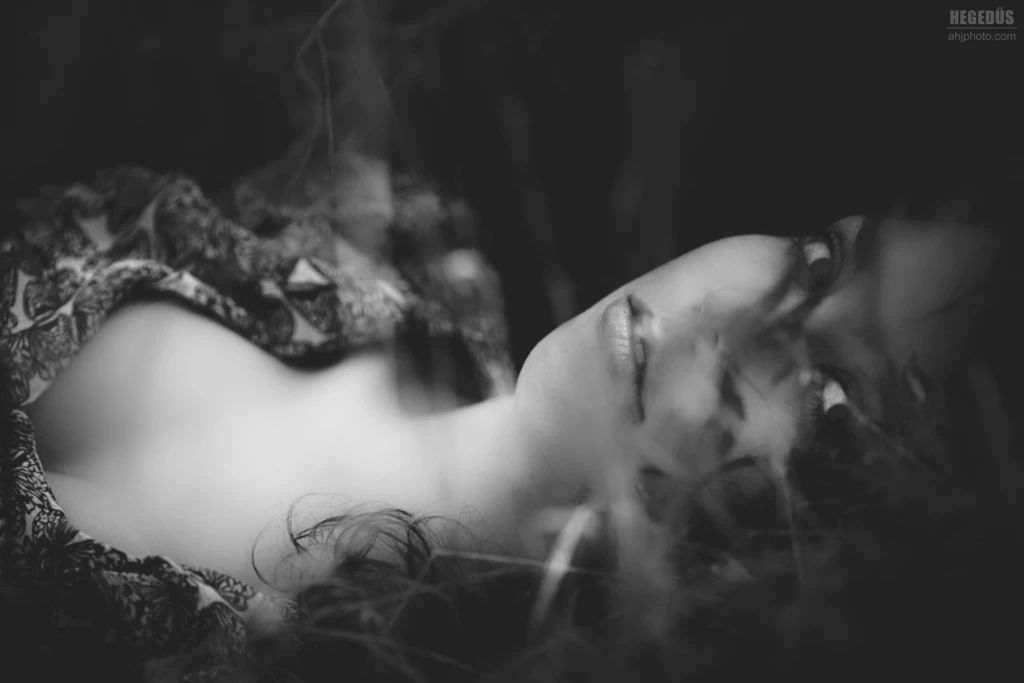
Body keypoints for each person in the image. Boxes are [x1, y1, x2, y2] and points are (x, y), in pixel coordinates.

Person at [0, 164, 1011, 680]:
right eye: (820, 263)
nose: (732, 322)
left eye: (831, 392)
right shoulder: (380, 231)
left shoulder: (275, 661)